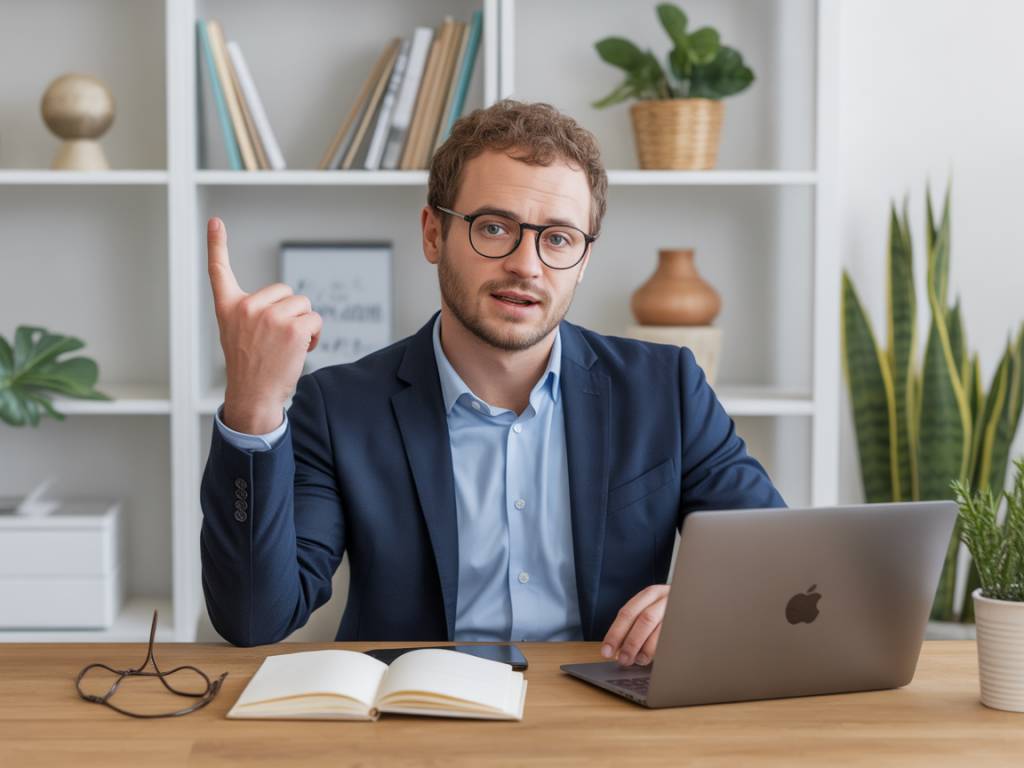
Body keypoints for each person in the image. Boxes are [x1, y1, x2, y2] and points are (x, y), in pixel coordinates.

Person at [200, 99, 785, 667]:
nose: (526, 265)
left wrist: (704, 604)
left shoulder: (666, 389)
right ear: (434, 234)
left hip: (607, 718)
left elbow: (779, 564)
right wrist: (253, 404)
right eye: (495, 227)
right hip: (416, 721)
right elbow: (255, 618)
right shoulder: (340, 406)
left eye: (558, 238)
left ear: (583, 260)